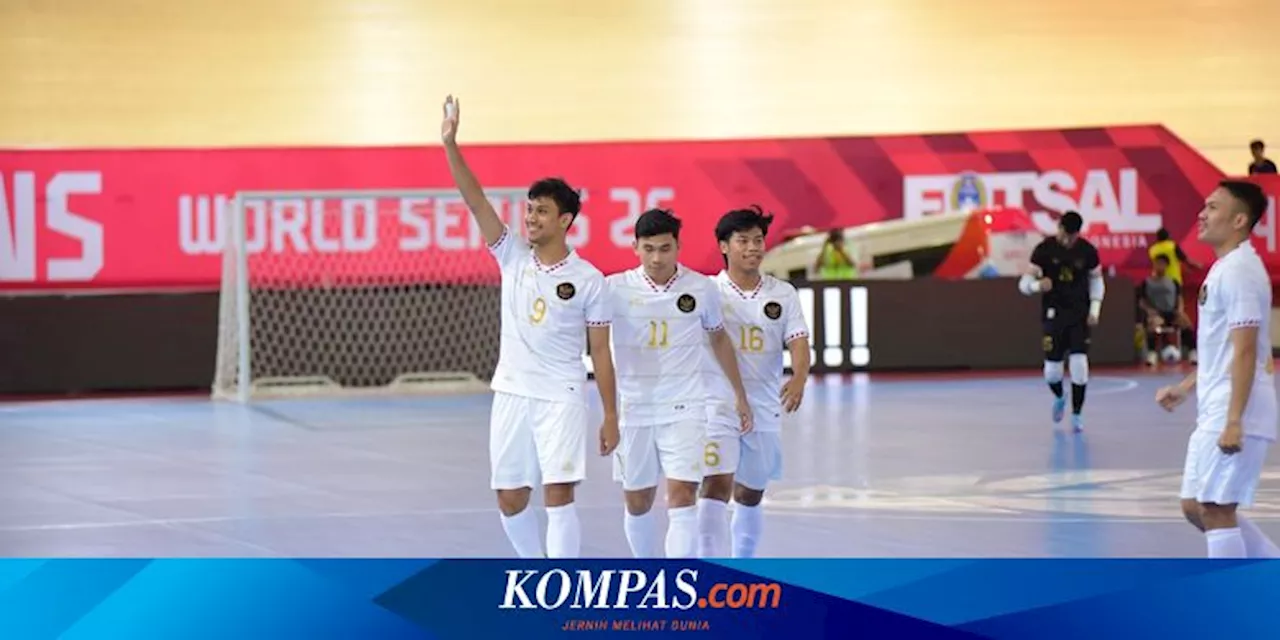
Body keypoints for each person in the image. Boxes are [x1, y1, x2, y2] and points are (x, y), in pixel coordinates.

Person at [440, 95, 620, 558]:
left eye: (542, 211)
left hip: (561, 395)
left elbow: (600, 352)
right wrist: (450, 144)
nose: (531, 217)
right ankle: (533, 569)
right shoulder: (511, 254)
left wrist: (611, 414)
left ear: (566, 220)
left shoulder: (589, 280)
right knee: (510, 496)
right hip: (512, 392)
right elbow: (475, 199)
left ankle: (558, 590)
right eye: (529, 209)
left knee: (558, 495)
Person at [606, 209, 753, 558]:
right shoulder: (612, 289)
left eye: (665, 248)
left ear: (678, 246)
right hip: (635, 409)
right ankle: (647, 572)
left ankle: (677, 583)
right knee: (638, 502)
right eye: (649, 248)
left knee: (684, 495)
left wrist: (739, 393)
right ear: (635, 248)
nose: (657, 257)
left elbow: (718, 339)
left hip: (686, 406)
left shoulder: (701, 288)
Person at [1156, 180, 1279, 558]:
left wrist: (1234, 420)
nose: (1201, 214)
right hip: (1216, 403)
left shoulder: (1241, 271)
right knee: (1196, 507)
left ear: (1239, 219)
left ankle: (1232, 606)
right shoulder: (1225, 267)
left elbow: (1245, 352)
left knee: (1216, 509)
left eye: (1212, 207)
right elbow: (1224, 350)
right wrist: (1188, 386)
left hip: (1236, 406)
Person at [698, 206, 812, 558]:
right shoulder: (707, 292)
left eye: (758, 240)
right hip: (716, 403)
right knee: (715, 484)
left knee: (750, 493)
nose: (752, 248)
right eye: (743, 240)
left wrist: (799, 378)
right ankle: (709, 570)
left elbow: (798, 340)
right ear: (723, 246)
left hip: (764, 405)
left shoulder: (783, 294)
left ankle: (743, 566)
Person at [1017, 211, 1104, 433]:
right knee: (1052, 372)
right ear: (1059, 229)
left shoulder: (1087, 251)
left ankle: (1076, 414)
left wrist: (1095, 308)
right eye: (1066, 235)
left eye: (1073, 237)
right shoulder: (1044, 250)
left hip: (1079, 316)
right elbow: (1024, 283)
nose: (1068, 241)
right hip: (1053, 316)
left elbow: (1097, 281)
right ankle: (1059, 395)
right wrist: (1037, 286)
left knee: (1079, 367)